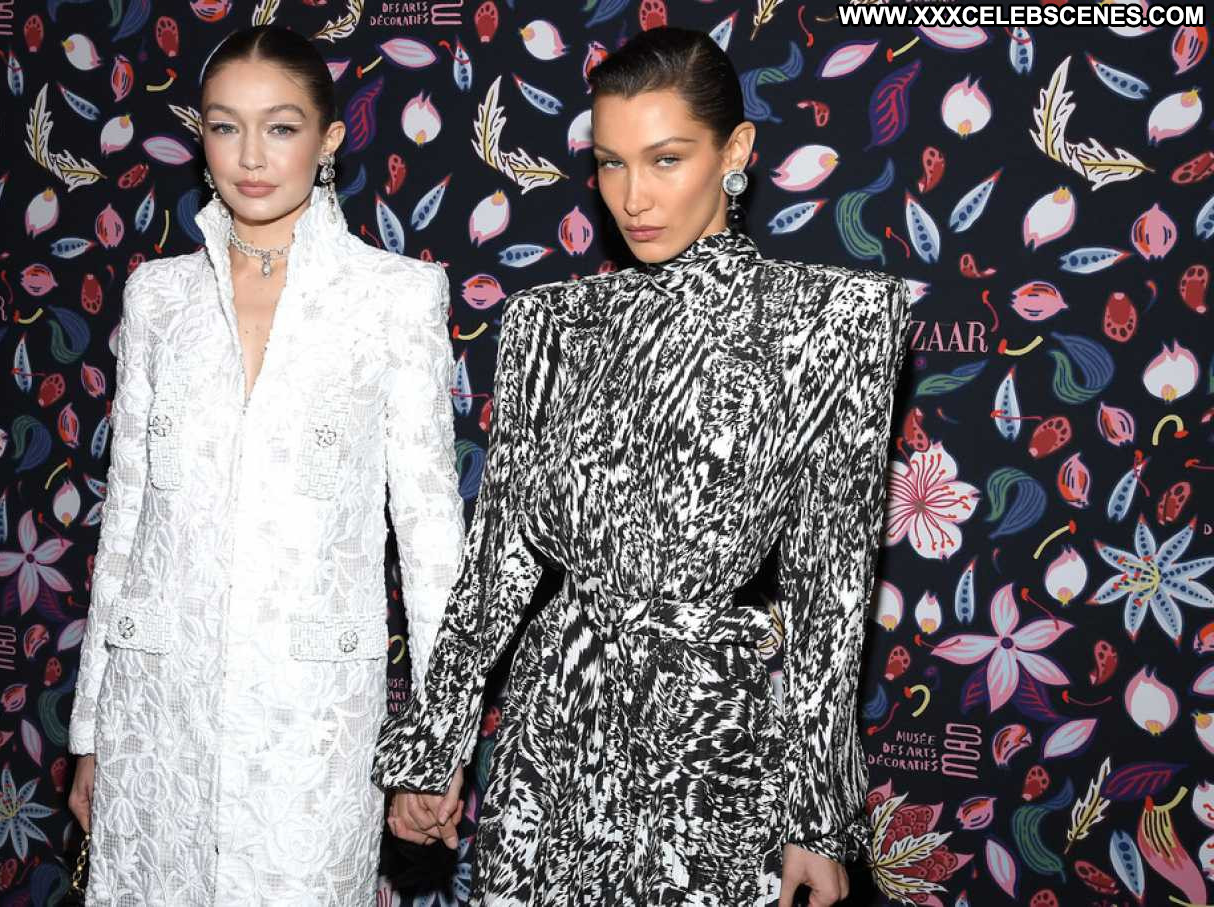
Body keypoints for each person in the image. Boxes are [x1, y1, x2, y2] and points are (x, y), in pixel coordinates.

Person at [375, 26, 913, 907]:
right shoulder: (550, 323)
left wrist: (816, 820)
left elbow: (831, 589)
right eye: (612, 164)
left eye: (666, 159)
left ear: (734, 152)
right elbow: (499, 559)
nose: (634, 197)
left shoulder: (833, 320)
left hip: (707, 748)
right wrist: (435, 748)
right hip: (551, 739)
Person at [65, 25, 465, 905]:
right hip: (156, 714)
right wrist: (91, 729)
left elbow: (432, 543)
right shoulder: (158, 297)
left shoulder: (393, 297)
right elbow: (126, 523)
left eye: (280, 128)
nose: (250, 156)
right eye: (224, 126)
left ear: (328, 141)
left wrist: (436, 744)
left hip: (312, 724)